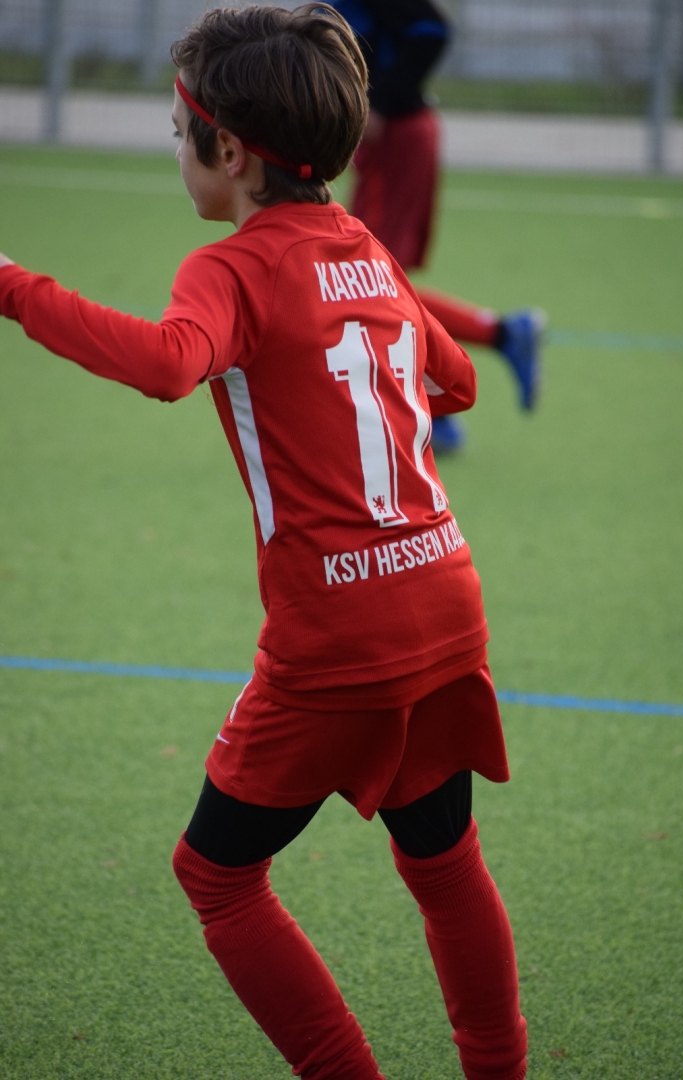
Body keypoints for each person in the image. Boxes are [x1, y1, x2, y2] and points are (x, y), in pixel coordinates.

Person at [0, 6, 527, 1078]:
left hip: (337, 633)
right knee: (442, 863)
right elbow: (457, 381)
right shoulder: (366, 250)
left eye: (178, 132)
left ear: (230, 152)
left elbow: (167, 364)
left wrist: (12, 287)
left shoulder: (229, 269)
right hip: (442, 596)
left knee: (217, 877)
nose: (175, 150)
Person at [332, 0, 544, 451]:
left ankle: (452, 390)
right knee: (374, 285)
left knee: (370, 284)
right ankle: (464, 378)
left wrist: (380, 104)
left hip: (398, 139)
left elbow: (432, 30)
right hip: (391, 142)